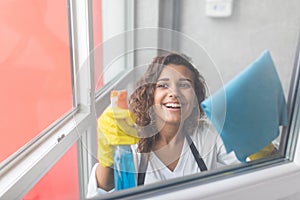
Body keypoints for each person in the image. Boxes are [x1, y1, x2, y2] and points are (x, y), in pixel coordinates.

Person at [86, 53, 240, 198]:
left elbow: (246, 162)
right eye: (163, 85)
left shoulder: (208, 134)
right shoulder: (131, 143)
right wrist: (107, 159)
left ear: (195, 98)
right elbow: (100, 194)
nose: (174, 93)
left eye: (184, 85)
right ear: (150, 95)